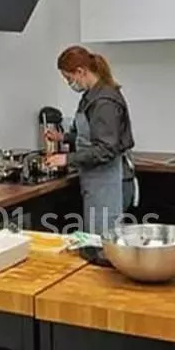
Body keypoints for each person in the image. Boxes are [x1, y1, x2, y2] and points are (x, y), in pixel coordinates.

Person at [45, 46, 137, 235]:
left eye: (69, 78)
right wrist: (63, 137)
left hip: (109, 183)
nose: (69, 83)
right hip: (97, 182)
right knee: (97, 239)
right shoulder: (92, 96)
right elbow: (92, 136)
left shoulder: (104, 102)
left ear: (80, 71)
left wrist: (67, 159)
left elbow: (106, 149)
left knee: (104, 242)